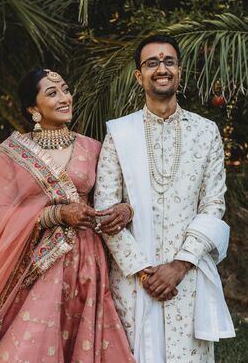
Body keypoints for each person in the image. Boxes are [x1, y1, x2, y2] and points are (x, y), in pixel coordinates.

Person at [0, 69, 135, 363]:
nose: (64, 98)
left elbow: (119, 196)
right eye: (52, 93)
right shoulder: (11, 153)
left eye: (64, 89)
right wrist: (55, 214)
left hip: (86, 260)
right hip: (32, 263)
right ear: (33, 109)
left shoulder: (94, 147)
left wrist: (125, 210)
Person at [94, 35, 235, 363]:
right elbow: (104, 209)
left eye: (169, 61)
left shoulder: (206, 131)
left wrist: (179, 266)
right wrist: (145, 273)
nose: (162, 68)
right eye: (152, 62)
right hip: (133, 282)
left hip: (187, 278)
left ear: (179, 71)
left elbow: (213, 204)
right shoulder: (119, 132)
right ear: (139, 76)